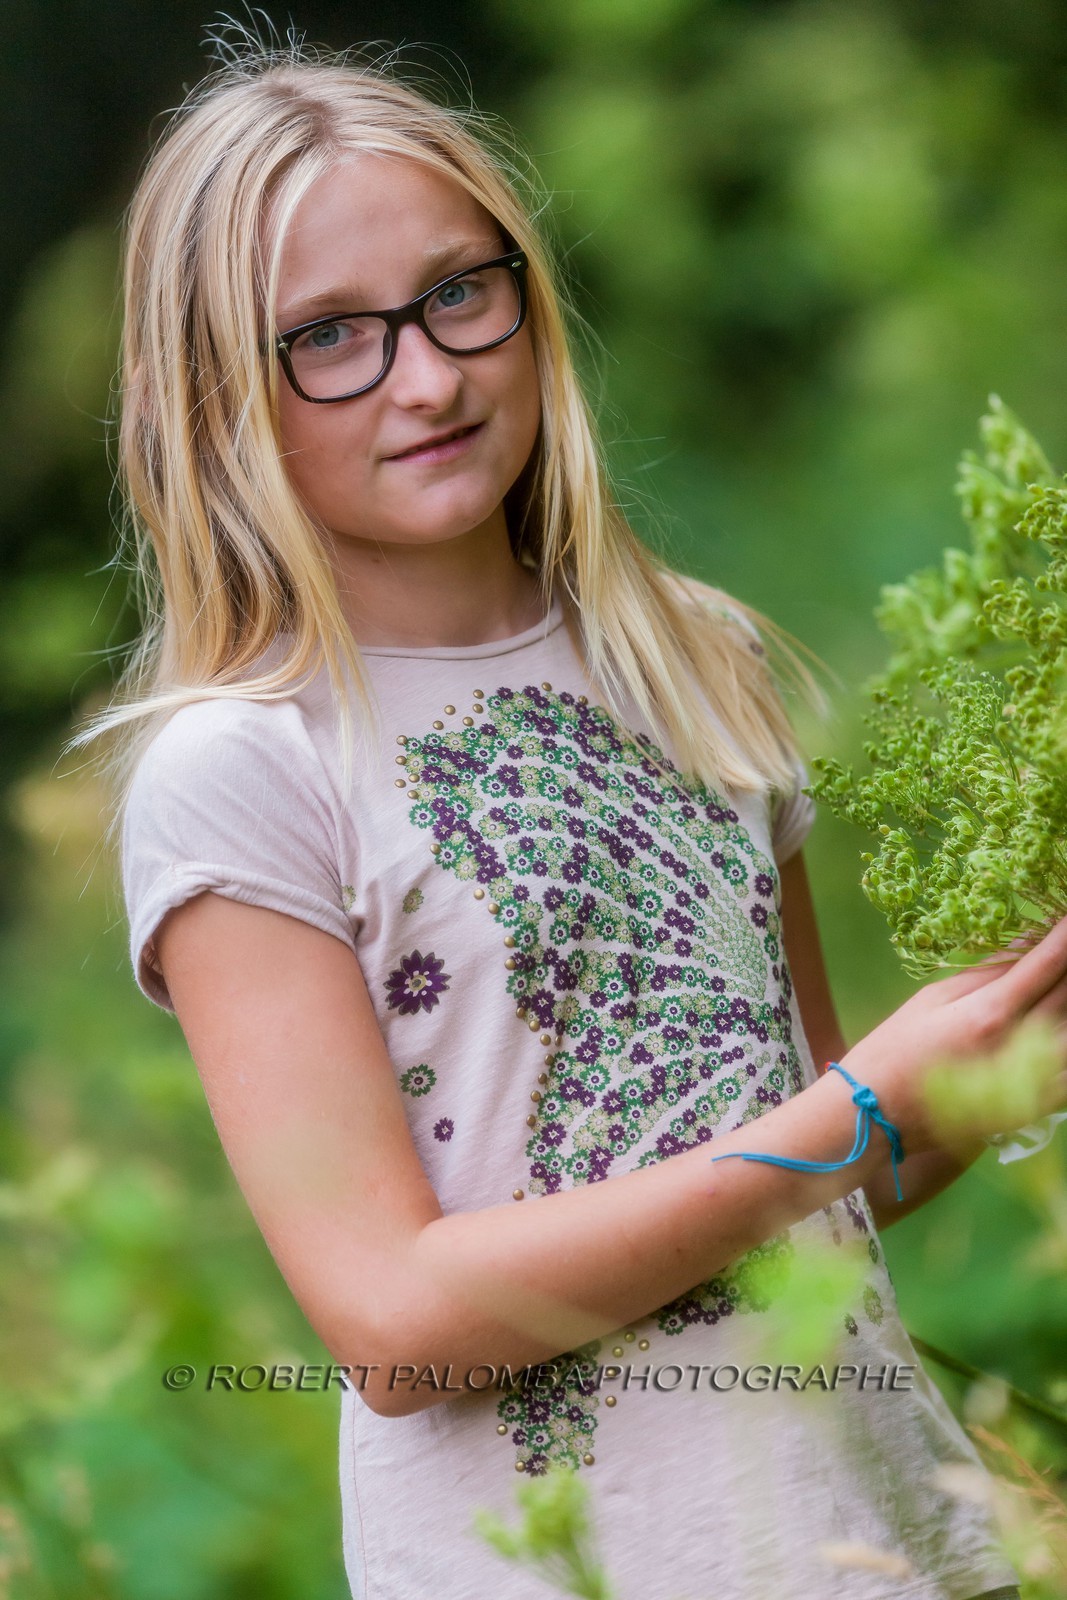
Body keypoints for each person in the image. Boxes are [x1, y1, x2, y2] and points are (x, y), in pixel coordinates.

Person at [76, 35, 1066, 1600]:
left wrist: (994, 1059)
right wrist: (867, 1104)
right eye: (328, 336)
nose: (427, 373)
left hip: (878, 1542)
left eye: (459, 292)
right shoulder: (246, 768)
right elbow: (396, 1328)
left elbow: (811, 1166)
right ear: (211, 396)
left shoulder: (693, 652)